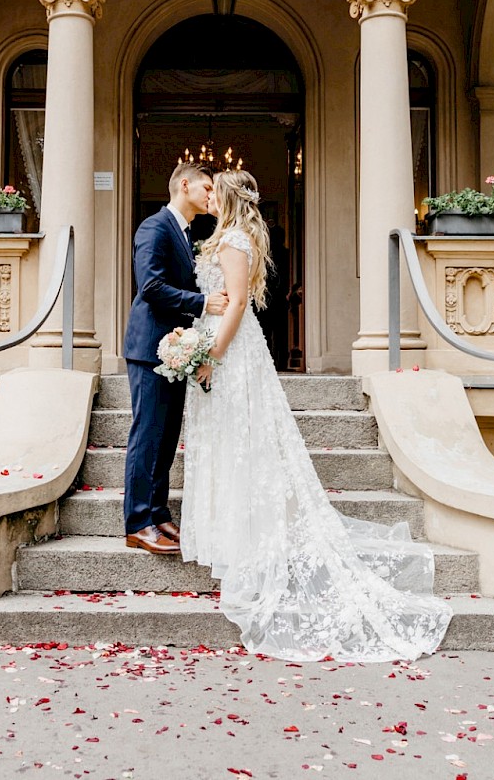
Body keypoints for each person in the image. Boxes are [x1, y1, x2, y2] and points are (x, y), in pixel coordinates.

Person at [180, 168, 452, 662]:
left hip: (231, 351)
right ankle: (231, 531)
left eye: (215, 190)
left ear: (228, 197)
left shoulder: (235, 239)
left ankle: (245, 538)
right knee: (229, 440)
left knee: (243, 441)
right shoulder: (226, 237)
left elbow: (238, 302)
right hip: (218, 342)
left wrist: (212, 354)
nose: (210, 196)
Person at [122, 161, 228, 555]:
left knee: (166, 437)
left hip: (174, 348)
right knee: (147, 435)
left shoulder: (185, 232)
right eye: (206, 187)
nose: (210, 195)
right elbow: (150, 286)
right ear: (184, 185)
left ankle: (159, 512)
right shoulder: (154, 227)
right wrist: (202, 302)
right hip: (149, 346)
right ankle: (137, 523)